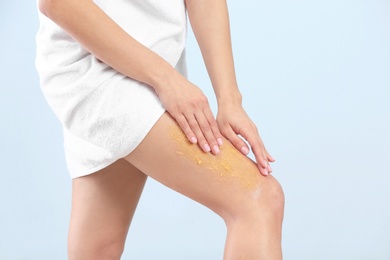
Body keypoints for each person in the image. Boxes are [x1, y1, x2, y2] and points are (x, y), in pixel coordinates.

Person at [36, 0, 285, 259]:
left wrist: (230, 100)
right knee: (259, 200)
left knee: (98, 248)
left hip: (152, 64)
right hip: (93, 65)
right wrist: (166, 80)